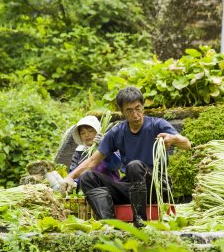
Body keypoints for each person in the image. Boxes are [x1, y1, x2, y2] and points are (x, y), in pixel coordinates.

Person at [61, 86, 191, 227]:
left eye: (138, 108)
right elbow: (93, 160)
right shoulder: (117, 132)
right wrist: (70, 177)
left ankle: (140, 224)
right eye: (129, 110)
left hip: (157, 187)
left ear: (143, 107)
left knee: (134, 166)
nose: (135, 115)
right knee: (88, 177)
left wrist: (173, 139)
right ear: (122, 112)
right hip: (131, 188)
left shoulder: (157, 124)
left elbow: (187, 144)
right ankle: (109, 225)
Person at [68, 115, 122, 184]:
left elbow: (116, 166)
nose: (86, 135)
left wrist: (105, 146)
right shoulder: (79, 152)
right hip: (88, 188)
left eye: (90, 131)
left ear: (97, 131)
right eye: (82, 133)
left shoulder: (108, 145)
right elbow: (73, 172)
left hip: (110, 186)